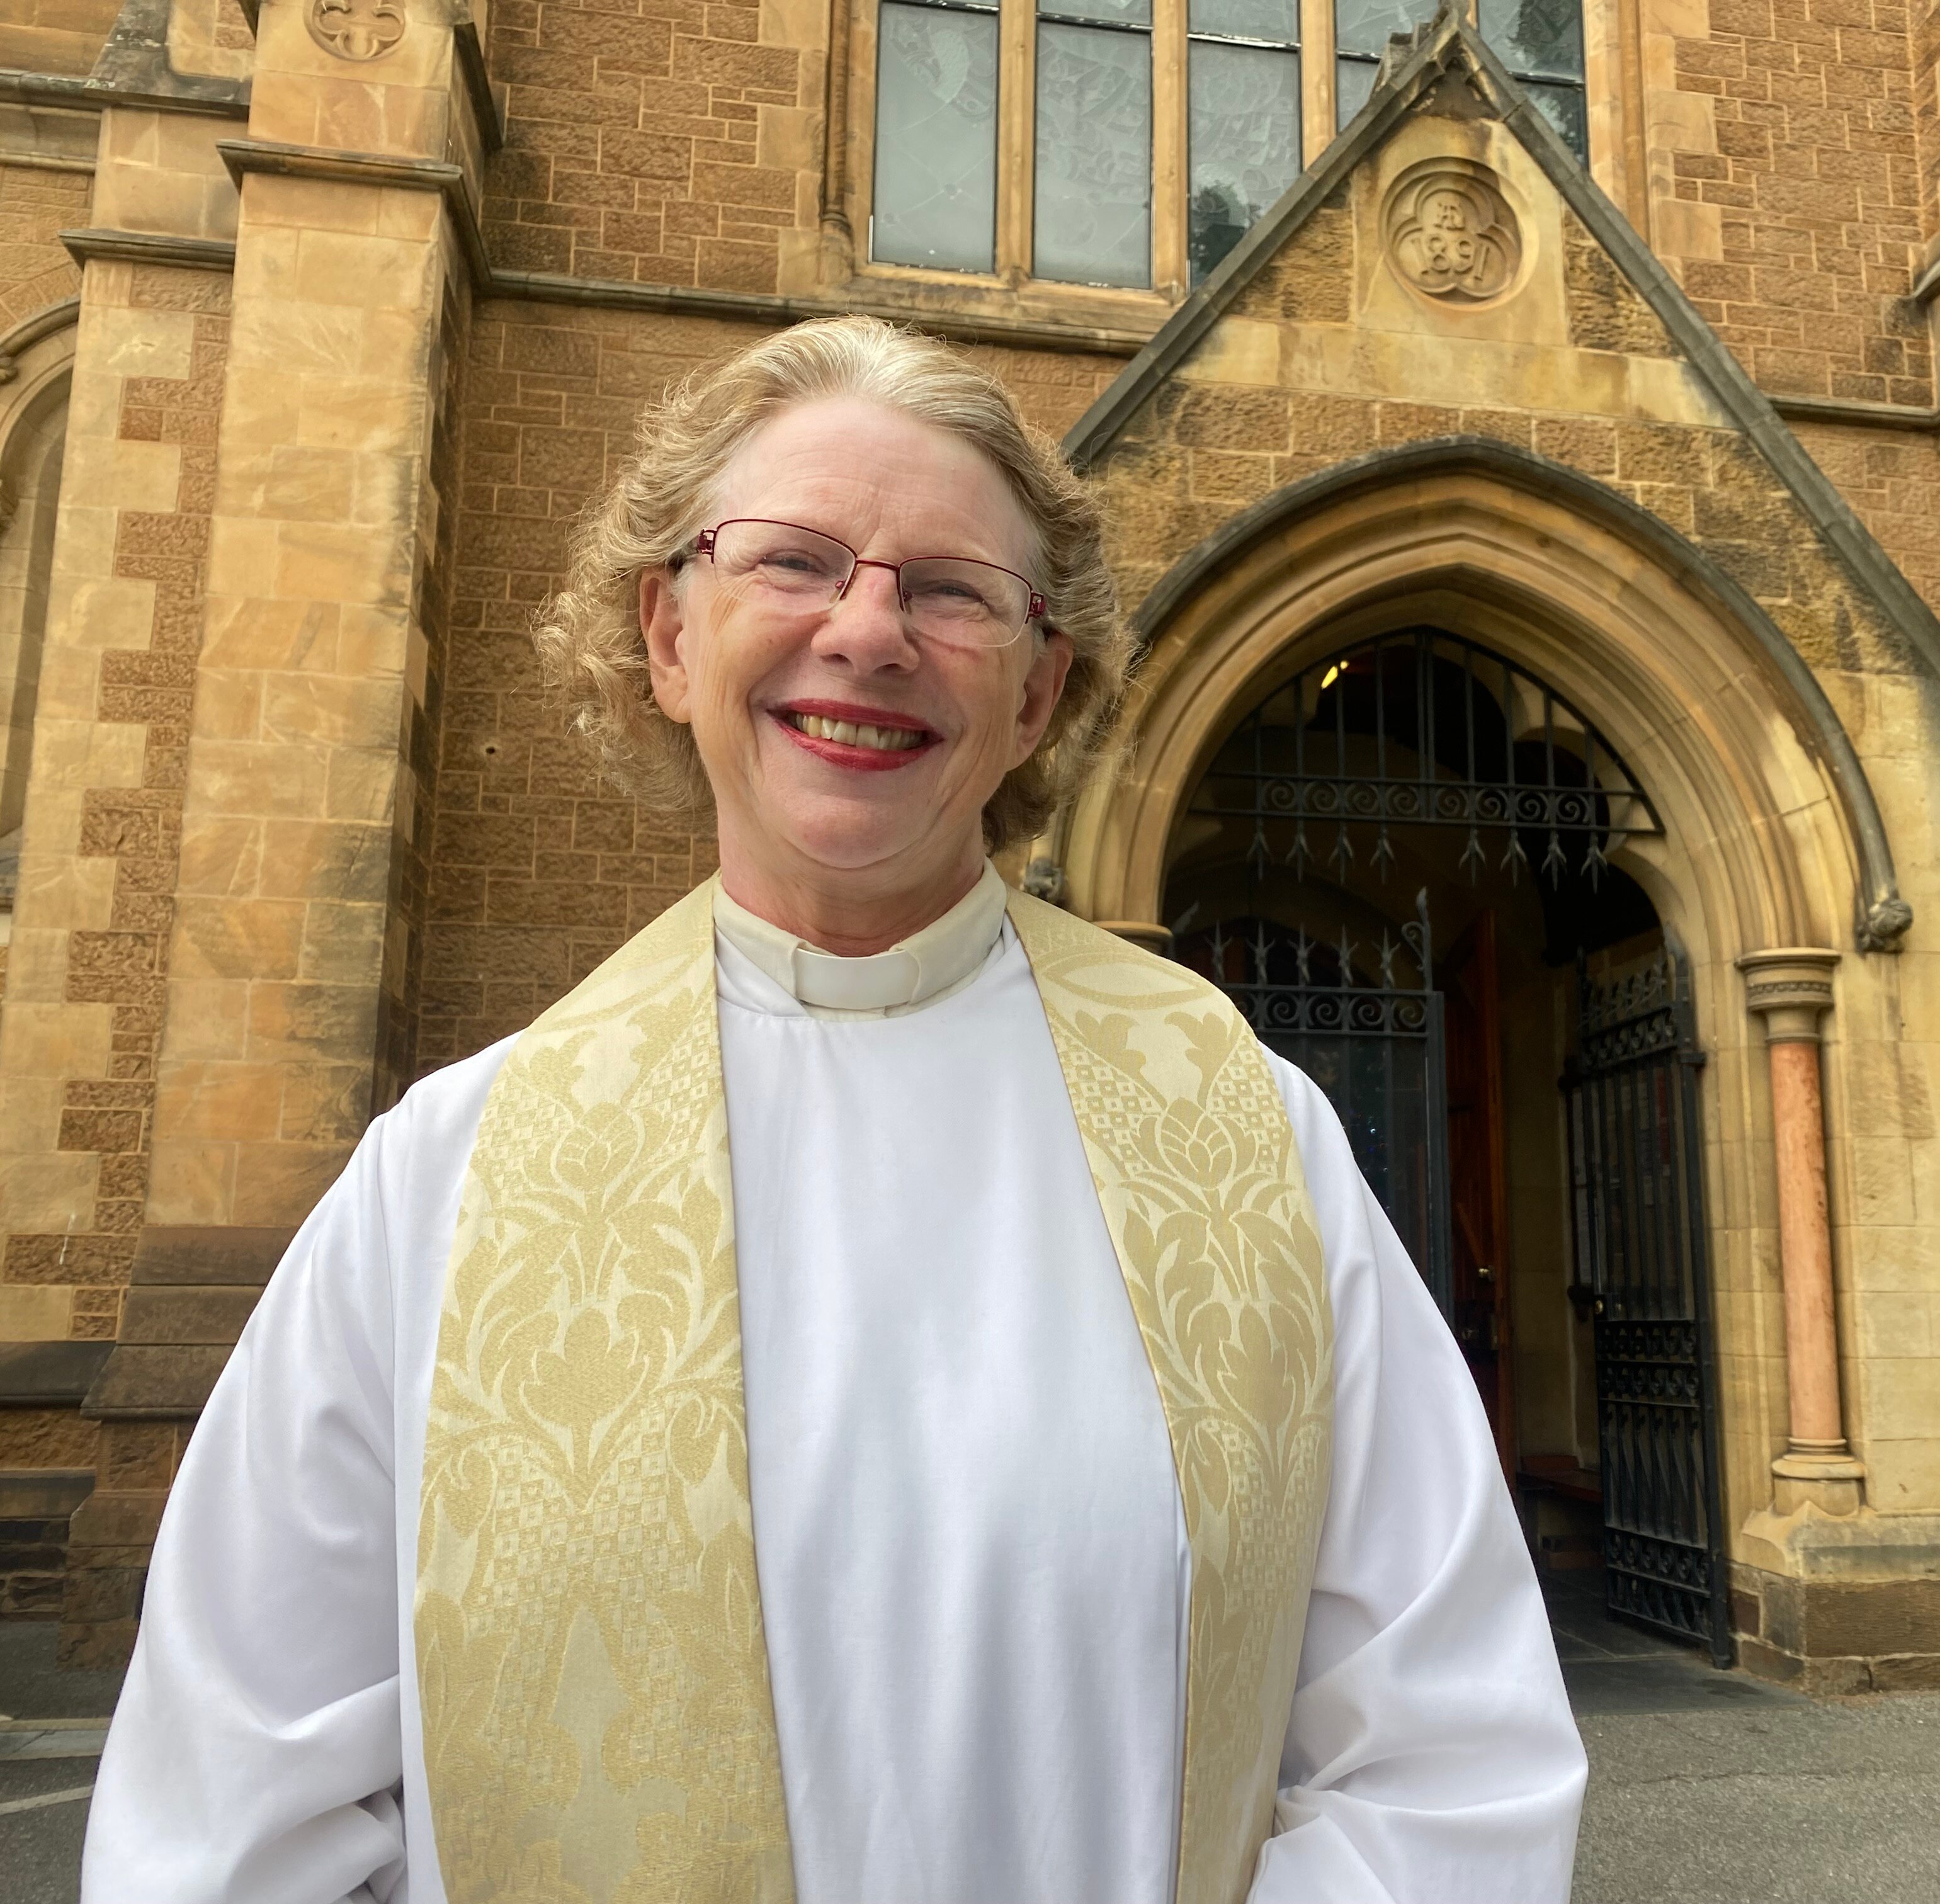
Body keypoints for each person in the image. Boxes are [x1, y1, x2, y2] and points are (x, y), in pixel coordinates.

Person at [83, 316, 1586, 1904]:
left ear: (1038, 693)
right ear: (668, 636)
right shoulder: (442, 1180)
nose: (868, 633)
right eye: (794, 561)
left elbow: (1444, 1761)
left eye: (951, 591)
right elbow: (232, 1820)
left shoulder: (1246, 1135)